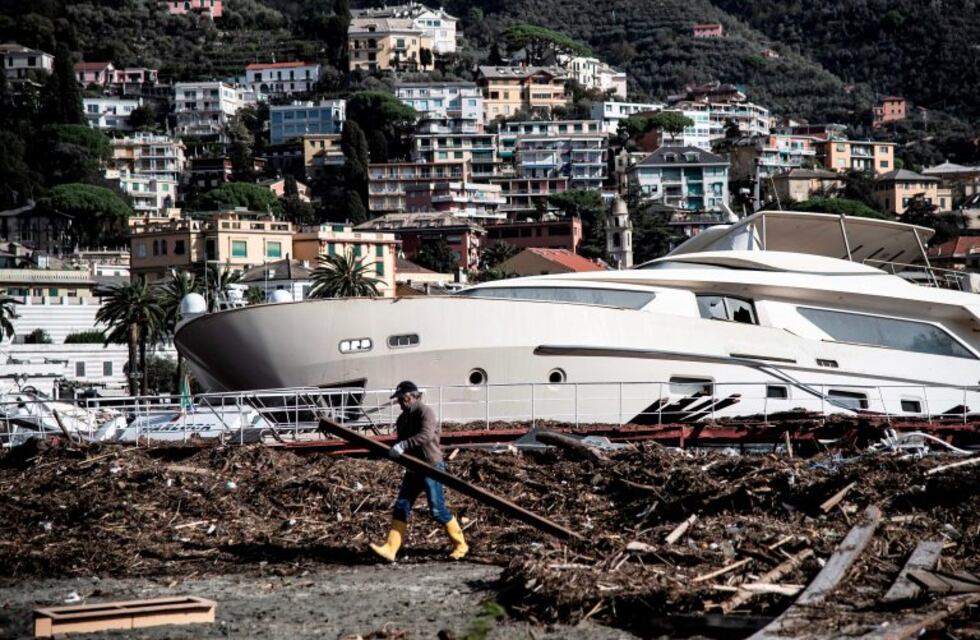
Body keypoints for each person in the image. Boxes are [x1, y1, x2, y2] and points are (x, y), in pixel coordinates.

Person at [369, 380, 468, 562]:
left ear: (411, 396)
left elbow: (426, 435)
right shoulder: (402, 419)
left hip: (431, 466)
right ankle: (390, 549)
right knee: (401, 506)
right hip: (414, 468)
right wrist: (397, 451)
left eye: (401, 398)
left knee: (437, 510)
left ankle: (461, 545)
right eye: (398, 399)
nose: (399, 402)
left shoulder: (425, 412)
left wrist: (403, 445)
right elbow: (401, 443)